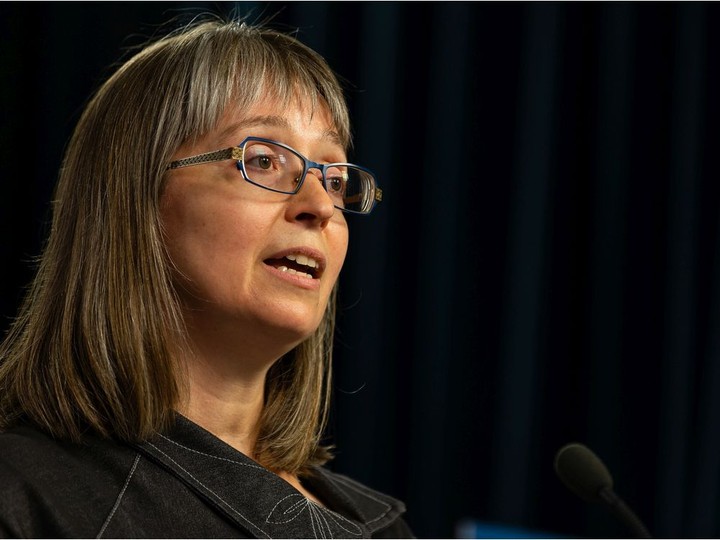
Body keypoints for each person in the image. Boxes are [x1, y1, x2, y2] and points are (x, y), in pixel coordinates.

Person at [0, 15, 412, 538]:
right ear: (136, 197)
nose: (319, 207)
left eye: (333, 177)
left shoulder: (381, 527)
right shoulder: (23, 501)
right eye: (263, 160)